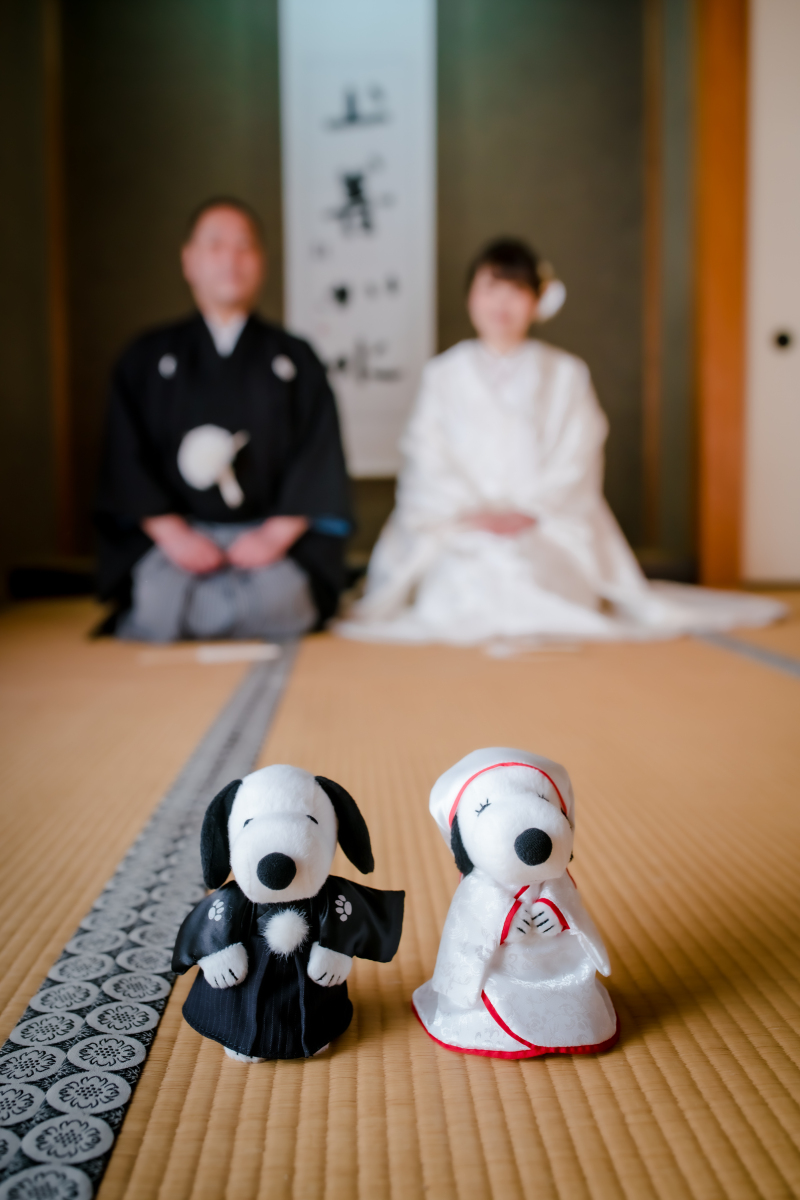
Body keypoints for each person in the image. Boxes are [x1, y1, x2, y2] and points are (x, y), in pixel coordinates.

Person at [337, 238, 783, 644]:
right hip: (462, 525)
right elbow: (426, 458)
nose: (501, 303)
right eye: (491, 288)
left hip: (543, 523)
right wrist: (476, 514)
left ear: (536, 301)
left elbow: (578, 456)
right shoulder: (442, 375)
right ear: (472, 297)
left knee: (531, 574)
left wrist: (527, 511)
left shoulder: (567, 373)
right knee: (460, 582)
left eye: (515, 291)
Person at [96, 198, 352, 641]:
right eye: (215, 246)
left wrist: (272, 538)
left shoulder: (295, 359)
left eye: (243, 247)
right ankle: (227, 610)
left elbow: (318, 457)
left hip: (267, 543)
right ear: (188, 261)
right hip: (178, 542)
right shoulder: (146, 357)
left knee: (281, 600)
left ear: (261, 263)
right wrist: (176, 537)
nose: (230, 259)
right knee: (157, 602)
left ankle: (209, 614)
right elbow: (125, 461)